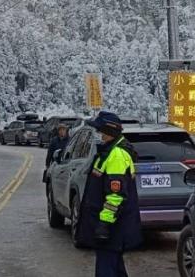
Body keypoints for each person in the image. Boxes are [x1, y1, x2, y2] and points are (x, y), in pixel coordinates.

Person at [74, 111, 142, 277]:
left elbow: (116, 195)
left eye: (99, 131)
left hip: (112, 228)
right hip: (111, 227)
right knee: (116, 268)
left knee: (106, 269)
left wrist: (104, 224)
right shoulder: (107, 152)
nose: (97, 135)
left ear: (108, 132)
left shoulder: (116, 155)